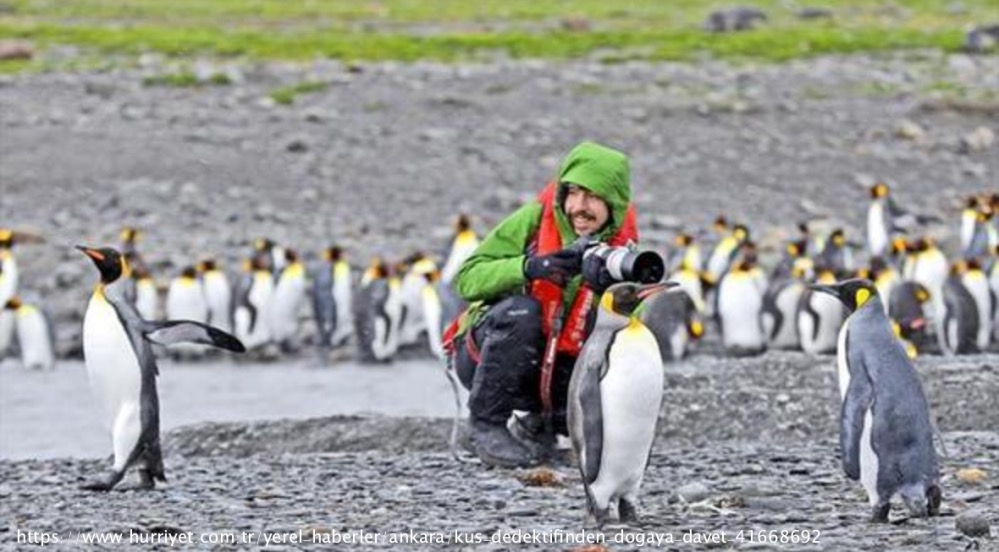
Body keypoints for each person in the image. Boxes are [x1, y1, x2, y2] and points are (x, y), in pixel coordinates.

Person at [445, 141, 641, 468]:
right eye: (573, 192)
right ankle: (486, 424)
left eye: (593, 196)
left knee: (611, 330)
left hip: (557, 369)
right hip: (493, 356)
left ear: (614, 203)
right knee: (523, 312)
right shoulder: (534, 221)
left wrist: (611, 294)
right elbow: (466, 278)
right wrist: (529, 266)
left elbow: (634, 329)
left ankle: (545, 425)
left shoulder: (621, 249)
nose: (579, 206)